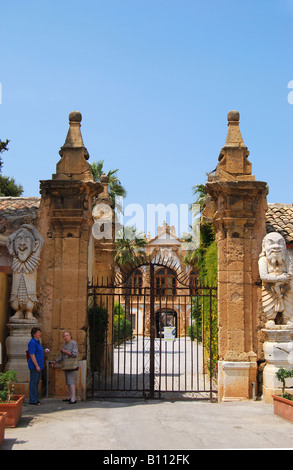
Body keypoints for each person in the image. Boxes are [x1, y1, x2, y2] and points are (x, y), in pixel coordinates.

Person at [51, 331, 78, 404]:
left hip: (71, 364)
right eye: (64, 336)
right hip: (66, 364)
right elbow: (61, 355)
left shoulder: (73, 343)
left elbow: (74, 354)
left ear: (70, 336)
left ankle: (73, 398)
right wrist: (56, 361)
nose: (66, 337)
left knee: (71, 381)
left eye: (67, 335)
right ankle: (70, 396)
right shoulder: (64, 344)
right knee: (68, 381)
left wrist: (66, 352)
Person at [28, 327, 49, 405]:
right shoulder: (32, 342)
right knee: (33, 383)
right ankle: (33, 400)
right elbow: (32, 354)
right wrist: (36, 365)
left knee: (36, 382)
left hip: (39, 365)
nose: (39, 334)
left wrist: (44, 351)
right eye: (38, 332)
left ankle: (35, 399)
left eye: (40, 332)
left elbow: (38, 352)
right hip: (34, 366)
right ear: (34, 334)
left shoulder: (37, 342)